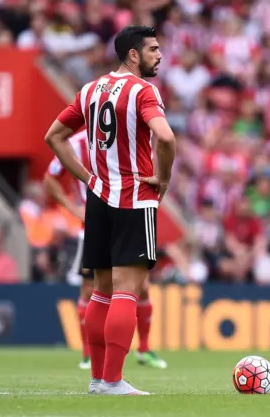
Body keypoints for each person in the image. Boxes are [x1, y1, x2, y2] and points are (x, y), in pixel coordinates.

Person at [45, 25, 176, 395]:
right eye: (152, 49)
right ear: (133, 55)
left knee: (100, 292)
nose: (159, 55)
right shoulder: (143, 90)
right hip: (134, 197)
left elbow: (53, 136)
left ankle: (98, 380)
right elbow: (165, 136)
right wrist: (162, 178)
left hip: (99, 201)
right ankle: (114, 380)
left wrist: (87, 178)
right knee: (127, 292)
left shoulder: (90, 89)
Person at [43, 129, 168, 371]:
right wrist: (71, 208)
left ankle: (143, 349)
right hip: (94, 222)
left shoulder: (124, 136)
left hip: (127, 215)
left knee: (140, 286)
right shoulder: (77, 143)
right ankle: (89, 354)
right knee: (92, 288)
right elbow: (50, 178)